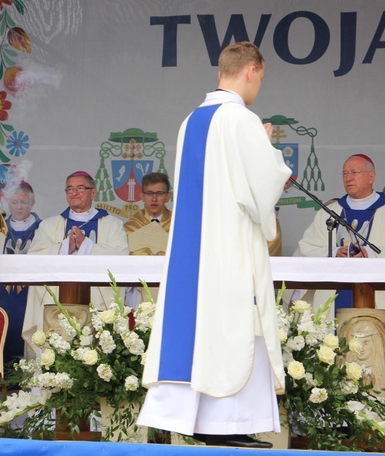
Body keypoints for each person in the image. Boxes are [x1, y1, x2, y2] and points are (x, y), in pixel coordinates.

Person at [138, 42, 290, 447]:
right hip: (228, 248)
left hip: (193, 250)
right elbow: (262, 191)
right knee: (233, 329)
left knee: (203, 333)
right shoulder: (241, 120)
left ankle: (204, 421)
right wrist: (270, 147)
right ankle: (228, 423)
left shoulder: (191, 120)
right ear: (252, 71)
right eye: (261, 78)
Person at [295, 153, 385, 427]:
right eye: (344, 173)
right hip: (335, 300)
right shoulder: (331, 212)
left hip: (379, 300)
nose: (348, 178)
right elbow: (307, 246)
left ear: (371, 176)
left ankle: (384, 422)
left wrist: (372, 256)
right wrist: (334, 251)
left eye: (354, 172)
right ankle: (331, 425)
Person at [24, 171, 128, 346]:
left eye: (80, 188)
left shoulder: (112, 224)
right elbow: (34, 257)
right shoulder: (49, 225)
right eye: (70, 189)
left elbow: (121, 256)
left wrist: (87, 246)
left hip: (96, 302)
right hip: (57, 305)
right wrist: (65, 247)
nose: (74, 192)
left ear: (93, 193)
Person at [0, 181, 42, 367]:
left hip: (31, 293)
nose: (19, 206)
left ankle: (27, 379)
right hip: (2, 293)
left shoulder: (43, 229)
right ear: (8, 203)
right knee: (1, 333)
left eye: (24, 202)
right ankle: (0, 377)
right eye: (15, 201)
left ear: (32, 203)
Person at [123, 172, 172, 306]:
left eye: (160, 193)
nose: (154, 198)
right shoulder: (131, 226)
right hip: (139, 284)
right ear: (142, 196)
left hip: (169, 283)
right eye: (149, 193)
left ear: (168, 196)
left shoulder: (177, 225)